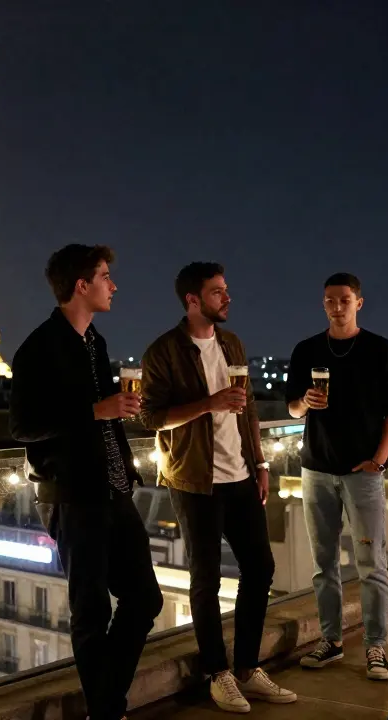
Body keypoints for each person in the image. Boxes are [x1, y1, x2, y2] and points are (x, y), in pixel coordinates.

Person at [9, 244, 164, 720]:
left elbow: (104, 416)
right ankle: (108, 709)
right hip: (73, 494)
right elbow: (23, 425)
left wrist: (118, 427)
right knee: (91, 611)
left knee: (145, 599)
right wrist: (95, 411)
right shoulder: (38, 348)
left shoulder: (94, 343)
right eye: (105, 276)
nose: (113, 285)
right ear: (81, 285)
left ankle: (106, 702)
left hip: (114, 489)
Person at [137, 262, 296, 714]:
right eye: (217, 292)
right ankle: (216, 673)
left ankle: (246, 667)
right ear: (192, 300)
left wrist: (261, 462)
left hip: (241, 476)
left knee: (260, 569)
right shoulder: (163, 351)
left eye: (226, 291)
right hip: (194, 481)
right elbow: (150, 417)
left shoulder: (232, 343)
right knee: (205, 580)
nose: (227, 298)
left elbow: (246, 412)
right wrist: (209, 404)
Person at [285, 273, 388, 681]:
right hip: (316, 469)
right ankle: (332, 641)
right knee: (324, 565)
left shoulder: (379, 350)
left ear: (359, 302)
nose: (337, 306)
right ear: (323, 305)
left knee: (372, 563)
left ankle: (376, 647)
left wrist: (378, 460)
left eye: (345, 299)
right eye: (330, 300)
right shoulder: (306, 350)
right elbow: (293, 411)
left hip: (363, 474)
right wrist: (305, 401)